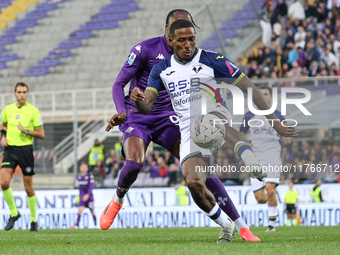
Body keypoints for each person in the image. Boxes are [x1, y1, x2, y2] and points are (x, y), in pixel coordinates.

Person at [130, 19, 297, 242]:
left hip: (215, 112)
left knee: (212, 121)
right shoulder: (161, 69)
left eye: (191, 39)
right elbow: (147, 106)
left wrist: (274, 122)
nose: (188, 44)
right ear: (170, 41)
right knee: (194, 183)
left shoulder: (212, 59)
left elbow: (248, 86)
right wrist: (139, 100)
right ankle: (225, 224)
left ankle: (250, 160)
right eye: (182, 40)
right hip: (188, 130)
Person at [101, 9, 261, 242]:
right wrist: (122, 112)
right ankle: (118, 199)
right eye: (177, 29)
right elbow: (118, 84)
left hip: (169, 117)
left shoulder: (194, 54)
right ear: (167, 30)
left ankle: (241, 226)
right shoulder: (144, 49)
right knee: (135, 163)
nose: (184, 36)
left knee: (201, 173)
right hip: (138, 115)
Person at [240, 85, 291, 232]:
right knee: (260, 198)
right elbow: (240, 135)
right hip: (255, 159)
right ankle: (271, 211)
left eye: (266, 94)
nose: (263, 96)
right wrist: (244, 143)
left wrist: (288, 136)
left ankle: (272, 225)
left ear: (270, 97)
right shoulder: (249, 116)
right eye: (260, 94)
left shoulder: (278, 115)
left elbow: (286, 129)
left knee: (270, 190)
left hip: (273, 156)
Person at [0, 82, 45, 231]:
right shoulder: (8, 110)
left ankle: (33, 220)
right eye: (19, 92)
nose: (22, 94)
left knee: (28, 188)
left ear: (28, 94)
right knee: (3, 182)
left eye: (24, 92)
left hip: (26, 150)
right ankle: (14, 213)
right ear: (14, 94)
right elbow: (4, 125)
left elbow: (41, 133)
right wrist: (2, 136)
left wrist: (25, 131)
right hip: (10, 150)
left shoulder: (33, 111)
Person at [70, 162, 97, 229]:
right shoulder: (79, 177)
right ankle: (76, 225)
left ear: (87, 168)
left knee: (92, 211)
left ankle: (96, 225)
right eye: (82, 167)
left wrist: (87, 195)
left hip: (89, 197)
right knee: (79, 210)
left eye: (85, 167)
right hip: (82, 196)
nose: (83, 168)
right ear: (80, 168)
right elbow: (79, 187)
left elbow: (91, 187)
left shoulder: (90, 176)